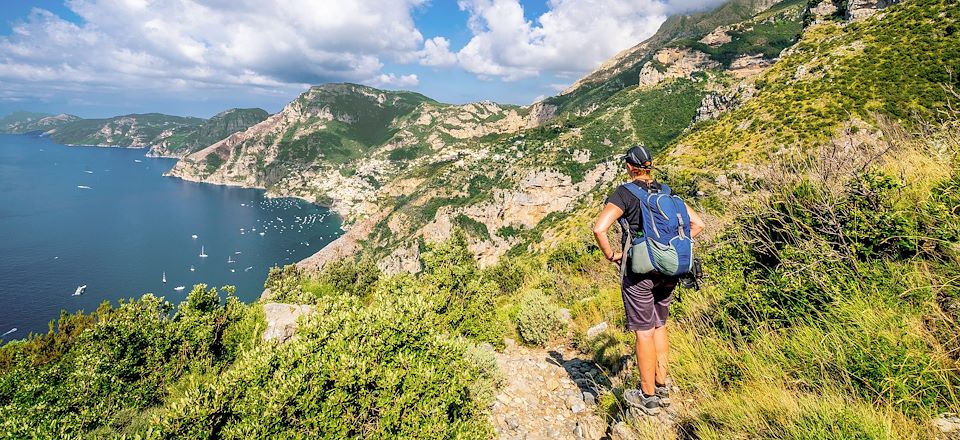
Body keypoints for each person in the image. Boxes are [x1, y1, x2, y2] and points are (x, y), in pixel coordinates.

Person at [591, 145, 705, 415]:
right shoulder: (667, 192)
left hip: (639, 272)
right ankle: (662, 385)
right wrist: (668, 250)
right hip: (670, 270)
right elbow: (697, 224)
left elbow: (599, 228)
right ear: (650, 166)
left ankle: (647, 396)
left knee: (643, 330)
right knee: (659, 325)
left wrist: (612, 256)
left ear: (630, 167)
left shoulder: (624, 193)